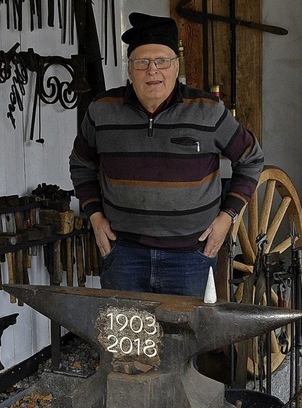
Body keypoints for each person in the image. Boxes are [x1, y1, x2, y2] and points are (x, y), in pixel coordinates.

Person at [69, 12, 264, 297]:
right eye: (141, 62)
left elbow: (250, 159)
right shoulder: (102, 110)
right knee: (126, 340)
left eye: (162, 61)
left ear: (176, 66)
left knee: (186, 339)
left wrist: (227, 217)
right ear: (129, 69)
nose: (152, 70)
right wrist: (95, 217)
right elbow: (81, 164)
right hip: (124, 255)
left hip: (191, 257)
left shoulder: (207, 110)